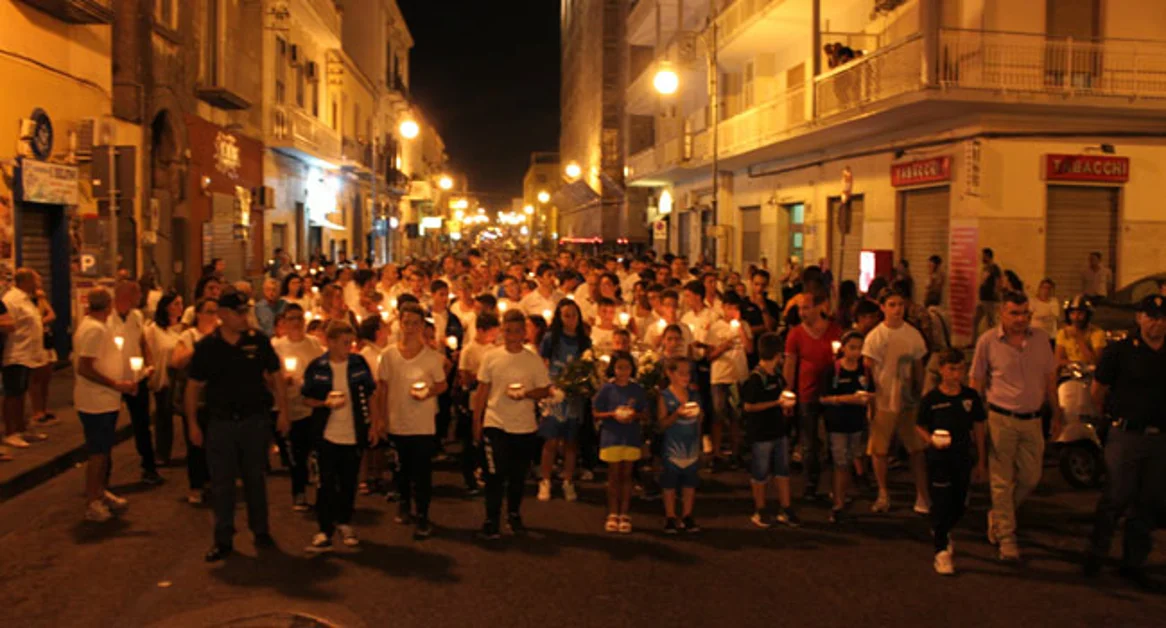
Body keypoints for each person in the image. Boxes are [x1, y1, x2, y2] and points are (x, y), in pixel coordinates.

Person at [185, 288, 290, 562]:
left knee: (255, 478)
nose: (244, 317)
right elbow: (193, 386)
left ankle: (261, 530)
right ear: (222, 315)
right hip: (221, 423)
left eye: (246, 311)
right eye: (238, 312)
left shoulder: (258, 341)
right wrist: (193, 424)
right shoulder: (207, 347)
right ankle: (223, 538)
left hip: (254, 420)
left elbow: (276, 375)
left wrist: (283, 411)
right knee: (222, 484)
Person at [1084, 295, 1166, 590]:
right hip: (1126, 434)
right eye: (1151, 316)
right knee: (1116, 496)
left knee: (1148, 502)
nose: (1157, 322)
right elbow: (1098, 390)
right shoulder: (1120, 351)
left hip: (1160, 439)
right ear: (1139, 318)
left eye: (1162, 317)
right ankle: (1096, 554)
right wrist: (1109, 421)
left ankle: (1133, 563)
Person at [970, 291, 1060, 562]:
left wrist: (1056, 414)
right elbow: (977, 382)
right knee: (1000, 481)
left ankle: (998, 515)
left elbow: (1050, 379)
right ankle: (1007, 538)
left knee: (1031, 477)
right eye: (1014, 313)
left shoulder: (1042, 339)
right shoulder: (987, 342)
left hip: (1033, 419)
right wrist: (975, 420)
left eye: (1025, 314)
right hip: (1001, 419)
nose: (1020, 319)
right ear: (1001, 313)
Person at [472, 309, 553, 539]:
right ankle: (491, 519)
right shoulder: (491, 357)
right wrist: (477, 419)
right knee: (494, 474)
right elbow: (482, 390)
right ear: (502, 331)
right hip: (496, 422)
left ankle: (514, 514)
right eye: (508, 331)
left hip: (524, 425)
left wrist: (526, 393)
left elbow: (545, 389)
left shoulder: (532, 359)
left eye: (517, 331)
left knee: (517, 476)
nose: (512, 335)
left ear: (524, 333)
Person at [373, 302, 448, 540]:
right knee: (401, 470)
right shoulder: (389, 355)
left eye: (416, 323)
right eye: (407, 322)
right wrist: (380, 419)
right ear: (400, 324)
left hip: (423, 424)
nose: (411, 327)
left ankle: (423, 516)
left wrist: (428, 392)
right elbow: (382, 388)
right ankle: (404, 504)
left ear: (422, 326)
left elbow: (442, 384)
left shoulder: (431, 357)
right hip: (397, 421)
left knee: (423, 472)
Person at [302, 322, 377, 553]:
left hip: (353, 433)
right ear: (331, 342)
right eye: (345, 342)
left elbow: (371, 393)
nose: (349, 347)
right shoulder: (318, 367)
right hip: (327, 434)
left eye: (351, 342)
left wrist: (375, 423)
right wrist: (324, 403)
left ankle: (344, 522)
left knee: (348, 482)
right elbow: (306, 398)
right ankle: (324, 529)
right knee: (325, 484)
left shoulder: (358, 364)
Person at [915, 349, 987, 576]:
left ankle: (943, 530)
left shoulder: (970, 397)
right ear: (941, 369)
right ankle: (941, 551)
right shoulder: (932, 399)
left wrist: (982, 460)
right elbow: (919, 425)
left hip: (962, 456)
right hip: (938, 459)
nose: (956, 374)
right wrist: (931, 440)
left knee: (960, 503)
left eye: (960, 369)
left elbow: (978, 426)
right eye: (951, 369)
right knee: (940, 501)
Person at [862, 288, 930, 514]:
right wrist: (870, 399)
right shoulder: (875, 337)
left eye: (900, 304)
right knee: (879, 449)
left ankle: (922, 494)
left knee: (917, 449)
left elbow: (919, 367)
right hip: (883, 400)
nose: (897, 309)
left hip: (909, 401)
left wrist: (920, 393)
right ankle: (883, 492)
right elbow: (868, 369)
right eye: (891, 305)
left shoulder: (913, 335)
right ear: (882, 307)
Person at [73, 289, 138, 521]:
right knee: (97, 453)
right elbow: (85, 367)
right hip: (96, 401)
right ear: (108, 305)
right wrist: (115, 384)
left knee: (104, 450)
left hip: (104, 400)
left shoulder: (96, 326)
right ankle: (93, 500)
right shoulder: (94, 330)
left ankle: (100, 492)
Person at [782, 288, 843, 501]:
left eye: (806, 307)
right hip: (806, 394)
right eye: (800, 308)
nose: (802, 312)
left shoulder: (835, 331)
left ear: (820, 307)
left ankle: (837, 487)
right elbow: (790, 364)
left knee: (836, 441)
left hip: (832, 394)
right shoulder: (796, 334)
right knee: (809, 442)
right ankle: (810, 484)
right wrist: (788, 393)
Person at [741, 333, 798, 528]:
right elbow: (748, 406)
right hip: (761, 432)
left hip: (778, 430)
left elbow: (782, 392)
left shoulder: (777, 375)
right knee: (760, 472)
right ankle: (760, 509)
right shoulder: (756, 378)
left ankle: (786, 507)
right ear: (777, 354)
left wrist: (786, 404)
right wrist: (775, 403)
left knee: (782, 471)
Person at [109, 279, 162, 485]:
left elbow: (142, 342)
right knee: (108, 426)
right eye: (138, 293)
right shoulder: (108, 317)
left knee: (142, 424)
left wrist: (149, 364)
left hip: (136, 378)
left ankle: (149, 467)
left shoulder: (136, 316)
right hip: (113, 380)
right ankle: (104, 475)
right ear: (127, 295)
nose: (141, 297)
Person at [272, 305, 325, 511]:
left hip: (311, 405)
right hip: (289, 405)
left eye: (299, 318)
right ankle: (299, 491)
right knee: (297, 452)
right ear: (284, 323)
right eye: (291, 318)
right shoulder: (276, 346)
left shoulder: (314, 344)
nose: (295, 322)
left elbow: (322, 368)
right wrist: (280, 380)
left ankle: (320, 491)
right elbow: (267, 376)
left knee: (316, 449)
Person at [537, 298, 591, 501]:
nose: (571, 319)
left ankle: (568, 480)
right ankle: (546, 480)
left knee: (571, 441)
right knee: (551, 440)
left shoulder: (584, 340)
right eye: (566, 315)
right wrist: (547, 386)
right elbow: (543, 361)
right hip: (555, 392)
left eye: (574, 315)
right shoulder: (551, 338)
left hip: (574, 395)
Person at [820, 330, 875, 523]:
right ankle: (839, 502)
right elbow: (823, 398)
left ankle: (840, 492)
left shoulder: (864, 371)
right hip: (838, 423)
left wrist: (867, 399)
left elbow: (872, 391)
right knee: (840, 461)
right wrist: (847, 399)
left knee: (850, 459)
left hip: (857, 422)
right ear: (843, 348)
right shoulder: (833, 370)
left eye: (860, 348)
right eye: (852, 348)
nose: (856, 352)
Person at [593, 351, 647, 534]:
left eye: (627, 368)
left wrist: (634, 415)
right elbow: (595, 412)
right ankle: (613, 513)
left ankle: (625, 513)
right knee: (614, 476)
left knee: (627, 476)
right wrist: (612, 414)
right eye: (619, 368)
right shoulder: (607, 389)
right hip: (611, 436)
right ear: (613, 369)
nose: (623, 372)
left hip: (630, 437)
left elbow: (645, 413)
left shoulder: (637, 389)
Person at [170, 297, 218, 504]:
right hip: (195, 397)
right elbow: (177, 361)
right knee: (196, 442)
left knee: (216, 442)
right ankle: (196, 485)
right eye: (208, 312)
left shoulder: (221, 335)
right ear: (198, 314)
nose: (213, 316)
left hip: (216, 397)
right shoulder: (189, 335)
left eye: (216, 312)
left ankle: (212, 481)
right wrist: (199, 347)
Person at [3, 268, 50, 450]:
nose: (39, 284)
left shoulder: (26, 299)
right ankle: (10, 432)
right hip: (16, 353)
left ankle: (22, 428)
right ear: (26, 281)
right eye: (36, 281)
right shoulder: (12, 300)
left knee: (22, 393)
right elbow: (8, 324)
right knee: (13, 394)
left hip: (29, 354)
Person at [657, 358, 702, 534]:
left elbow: (699, 421)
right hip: (672, 446)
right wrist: (676, 414)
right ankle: (670, 515)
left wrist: (701, 444)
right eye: (681, 373)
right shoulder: (665, 396)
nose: (686, 377)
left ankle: (687, 514)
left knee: (690, 481)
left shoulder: (694, 395)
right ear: (670, 374)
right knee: (670, 480)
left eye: (688, 373)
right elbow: (661, 424)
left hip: (691, 445)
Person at [707, 292, 751, 469]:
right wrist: (723, 347)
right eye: (729, 307)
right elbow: (709, 355)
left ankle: (736, 453)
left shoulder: (744, 325)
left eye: (736, 308)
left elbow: (749, 349)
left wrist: (740, 329)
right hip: (720, 376)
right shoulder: (715, 327)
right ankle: (716, 453)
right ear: (723, 308)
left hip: (738, 375)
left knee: (736, 416)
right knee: (718, 415)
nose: (733, 311)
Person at [457, 312, 500, 496]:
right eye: (491, 333)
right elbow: (464, 377)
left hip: (491, 398)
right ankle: (470, 476)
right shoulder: (469, 350)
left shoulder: (494, 349)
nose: (494, 337)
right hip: (474, 399)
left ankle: (484, 472)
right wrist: (482, 378)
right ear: (481, 330)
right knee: (472, 440)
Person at [146, 291, 184, 466]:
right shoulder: (154, 330)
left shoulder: (181, 330)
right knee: (163, 416)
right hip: (163, 378)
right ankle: (161, 453)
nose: (179, 307)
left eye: (181, 303)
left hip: (179, 378)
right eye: (176, 303)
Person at [1055, 296, 1106, 368]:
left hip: (1090, 374)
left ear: (1087, 315)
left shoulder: (1097, 333)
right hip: (1069, 373)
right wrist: (1077, 365)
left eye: (1080, 313)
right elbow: (1058, 359)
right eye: (1072, 313)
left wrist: (1078, 338)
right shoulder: (1063, 333)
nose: (1076, 317)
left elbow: (1095, 361)